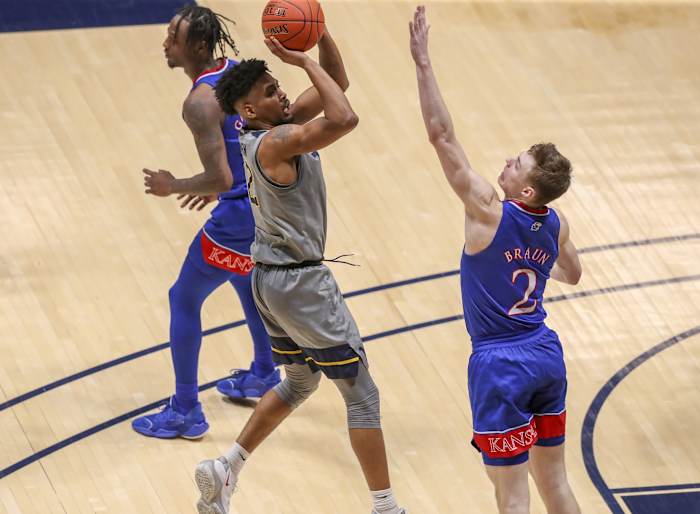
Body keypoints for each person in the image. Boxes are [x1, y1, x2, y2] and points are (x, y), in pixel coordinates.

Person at [191, 34, 408, 514]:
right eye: (270, 91)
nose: (281, 94)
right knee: (363, 396)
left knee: (299, 382)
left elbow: (339, 84)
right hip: (301, 284)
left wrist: (322, 32)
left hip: (270, 279)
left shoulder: (276, 128)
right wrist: (305, 59)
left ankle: (226, 468)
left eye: (277, 85)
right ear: (248, 111)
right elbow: (344, 117)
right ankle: (387, 507)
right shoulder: (277, 141)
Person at [409, 6, 583, 514]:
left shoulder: (487, 210)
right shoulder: (555, 223)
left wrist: (422, 61)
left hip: (499, 362)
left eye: (516, 163)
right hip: (545, 353)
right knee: (557, 485)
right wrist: (539, 257)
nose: (507, 160)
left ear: (524, 187)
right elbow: (573, 274)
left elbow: (442, 137)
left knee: (510, 492)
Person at [133, 5, 282, 440]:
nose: (166, 43)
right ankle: (263, 372)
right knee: (242, 281)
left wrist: (172, 184)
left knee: (183, 298)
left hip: (238, 216)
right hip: (272, 204)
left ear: (197, 46)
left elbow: (221, 176)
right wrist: (218, 185)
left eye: (173, 37)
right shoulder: (241, 73)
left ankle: (186, 410)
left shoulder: (200, 102)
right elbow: (253, 140)